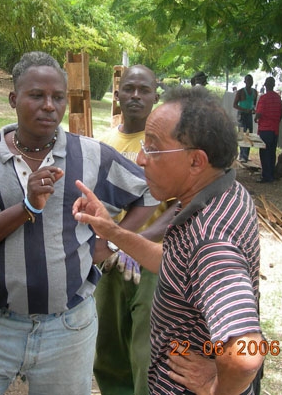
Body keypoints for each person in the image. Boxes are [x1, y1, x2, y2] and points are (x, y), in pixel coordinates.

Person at [0, 51, 158, 395]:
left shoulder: (90, 155)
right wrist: (26, 207)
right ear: (14, 99)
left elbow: (148, 192)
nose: (49, 106)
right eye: (37, 96)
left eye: (58, 97)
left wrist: (113, 242)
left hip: (69, 326)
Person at [73, 85, 264, 394]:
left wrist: (216, 387)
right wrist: (113, 232)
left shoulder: (211, 242)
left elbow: (245, 355)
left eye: (153, 147)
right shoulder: (223, 191)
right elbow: (177, 265)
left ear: (196, 162)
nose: (140, 158)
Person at [95, 64, 177, 395]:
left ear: (156, 96)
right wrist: (109, 248)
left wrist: (135, 242)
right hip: (111, 264)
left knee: (147, 353)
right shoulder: (105, 144)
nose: (135, 95)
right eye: (129, 89)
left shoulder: (168, 144)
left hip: (152, 262)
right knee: (109, 352)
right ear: (117, 95)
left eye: (144, 90)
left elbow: (180, 205)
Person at [254, 76, 282, 183]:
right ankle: (271, 174)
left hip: (265, 129)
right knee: (272, 152)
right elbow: (281, 115)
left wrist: (256, 118)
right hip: (275, 129)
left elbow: (259, 113)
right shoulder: (278, 98)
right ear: (274, 85)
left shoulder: (263, 98)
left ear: (265, 85)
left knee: (264, 153)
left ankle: (266, 176)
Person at [234, 74, 257, 163]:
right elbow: (235, 105)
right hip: (242, 114)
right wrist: (244, 109)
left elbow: (254, 103)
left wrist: (253, 109)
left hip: (249, 114)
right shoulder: (240, 92)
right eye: (248, 80)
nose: (249, 82)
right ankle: (242, 155)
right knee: (241, 134)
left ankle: (246, 155)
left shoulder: (255, 92)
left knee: (249, 134)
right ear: (245, 81)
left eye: (251, 80)